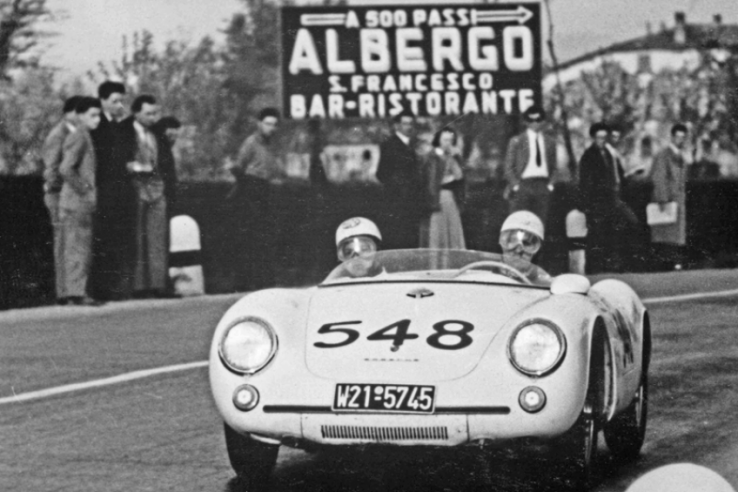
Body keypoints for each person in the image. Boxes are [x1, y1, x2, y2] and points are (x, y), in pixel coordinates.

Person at [116, 95, 177, 298]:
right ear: (136, 113)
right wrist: (134, 167)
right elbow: (117, 161)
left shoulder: (158, 133)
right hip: (134, 187)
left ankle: (159, 285)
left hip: (157, 188)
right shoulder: (123, 131)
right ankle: (139, 287)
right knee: (137, 237)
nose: (153, 117)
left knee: (157, 237)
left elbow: (167, 162)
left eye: (155, 113)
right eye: (148, 113)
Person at [228, 107, 285, 291]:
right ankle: (243, 282)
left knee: (264, 237)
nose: (271, 128)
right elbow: (238, 167)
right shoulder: (251, 143)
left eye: (274, 125)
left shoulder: (271, 145)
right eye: (268, 124)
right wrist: (246, 186)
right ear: (259, 124)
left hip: (265, 189)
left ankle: (263, 280)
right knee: (249, 237)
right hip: (251, 189)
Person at [90, 80, 135, 301]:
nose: (120, 105)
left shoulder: (120, 128)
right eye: (115, 101)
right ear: (103, 101)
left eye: (122, 101)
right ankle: (101, 288)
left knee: (117, 240)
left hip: (119, 193)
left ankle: (115, 287)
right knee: (103, 240)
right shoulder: (97, 128)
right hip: (104, 191)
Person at [57, 97, 104, 306]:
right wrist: (85, 189)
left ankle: (75, 292)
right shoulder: (80, 136)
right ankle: (76, 293)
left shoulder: (84, 136)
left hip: (77, 203)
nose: (97, 119)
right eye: (92, 115)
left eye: (98, 115)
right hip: (76, 202)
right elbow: (65, 168)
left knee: (78, 247)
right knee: (78, 247)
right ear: (81, 116)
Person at [579, 122, 639, 273]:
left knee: (615, 231)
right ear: (593, 138)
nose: (602, 141)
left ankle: (613, 265)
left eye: (604, 137)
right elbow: (585, 182)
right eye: (599, 138)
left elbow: (617, 175)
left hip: (613, 198)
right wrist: (588, 205)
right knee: (597, 235)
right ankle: (595, 268)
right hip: (598, 201)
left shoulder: (610, 154)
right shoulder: (589, 156)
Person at [42, 95, 82, 304]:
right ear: (68, 113)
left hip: (71, 196)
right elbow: (52, 169)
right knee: (63, 242)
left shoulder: (78, 133)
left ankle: (74, 290)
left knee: (73, 242)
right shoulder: (58, 135)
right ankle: (64, 292)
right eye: (78, 112)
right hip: (59, 196)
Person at [376, 109, 424, 250]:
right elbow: (381, 173)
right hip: (396, 200)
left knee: (412, 237)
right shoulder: (389, 145)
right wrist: (397, 185)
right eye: (405, 123)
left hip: (412, 200)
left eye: (411, 123)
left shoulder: (415, 144)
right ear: (397, 126)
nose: (408, 127)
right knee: (397, 236)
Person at [503, 105, 558, 223]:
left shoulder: (550, 142)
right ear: (525, 122)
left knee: (540, 223)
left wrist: (550, 185)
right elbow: (508, 167)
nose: (534, 123)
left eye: (538, 119)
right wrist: (516, 186)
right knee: (521, 223)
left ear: (543, 121)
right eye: (530, 120)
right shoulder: (517, 141)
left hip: (543, 185)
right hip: (523, 185)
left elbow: (554, 167)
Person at [420, 127, 466, 249]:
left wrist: (456, 157)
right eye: (445, 140)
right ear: (438, 140)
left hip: (450, 198)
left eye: (450, 140)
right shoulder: (431, 157)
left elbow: (459, 176)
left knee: (452, 233)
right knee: (436, 235)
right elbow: (430, 182)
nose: (448, 143)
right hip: (436, 199)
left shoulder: (451, 157)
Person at [651, 123, 690, 270]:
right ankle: (668, 263)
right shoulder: (664, 155)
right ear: (672, 137)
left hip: (678, 200)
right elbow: (659, 177)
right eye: (678, 137)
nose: (680, 140)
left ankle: (674, 262)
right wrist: (662, 198)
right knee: (666, 233)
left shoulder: (681, 156)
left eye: (683, 137)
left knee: (675, 235)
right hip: (668, 200)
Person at [498, 211, 552, 286]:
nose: (518, 250)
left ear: (537, 250)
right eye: (512, 241)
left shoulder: (545, 286)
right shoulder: (484, 277)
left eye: (527, 243)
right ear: (502, 241)